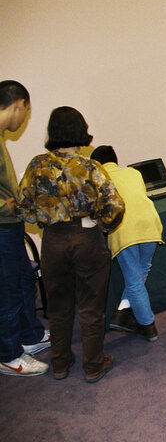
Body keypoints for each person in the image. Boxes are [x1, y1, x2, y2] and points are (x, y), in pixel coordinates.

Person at [16, 107, 124, 383]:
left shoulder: (36, 165)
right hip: (86, 238)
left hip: (52, 241)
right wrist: (101, 226)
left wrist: (46, 220)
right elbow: (115, 207)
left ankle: (60, 363)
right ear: (81, 130)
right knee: (91, 306)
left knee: (58, 308)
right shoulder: (90, 167)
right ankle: (93, 365)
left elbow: (24, 209)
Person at [0, 80, 50, 377]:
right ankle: (8, 353)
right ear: (18, 104)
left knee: (22, 283)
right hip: (2, 227)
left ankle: (30, 336)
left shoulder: (2, 138)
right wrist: (8, 205)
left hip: (10, 227)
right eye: (26, 112)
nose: (24, 119)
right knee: (6, 292)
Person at [90, 145, 163, 341]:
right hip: (150, 224)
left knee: (132, 279)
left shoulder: (100, 180)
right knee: (142, 269)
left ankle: (148, 326)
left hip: (124, 228)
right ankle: (122, 312)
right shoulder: (133, 172)